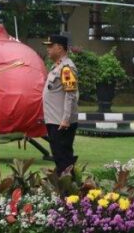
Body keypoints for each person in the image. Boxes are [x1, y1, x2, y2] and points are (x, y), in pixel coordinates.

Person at [42, 35, 79, 175]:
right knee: (59, 156)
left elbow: (71, 94)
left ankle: (68, 192)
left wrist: (66, 119)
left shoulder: (66, 68)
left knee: (63, 158)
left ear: (60, 48)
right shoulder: (57, 66)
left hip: (61, 122)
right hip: (54, 119)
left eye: (51, 46)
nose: (48, 49)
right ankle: (65, 189)